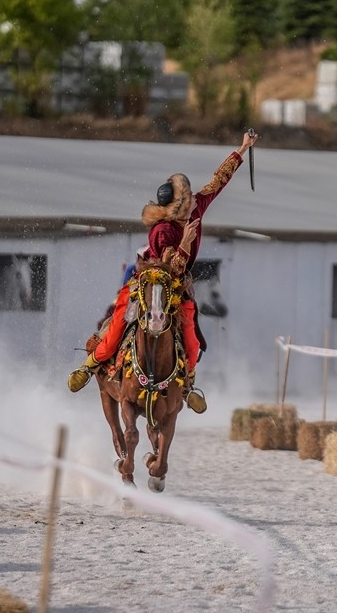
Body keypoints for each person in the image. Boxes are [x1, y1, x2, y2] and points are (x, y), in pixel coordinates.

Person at [67, 130, 260, 413]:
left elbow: (217, 182)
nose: (195, 201)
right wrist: (185, 243)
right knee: (118, 325)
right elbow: (172, 266)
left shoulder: (193, 211)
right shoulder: (162, 231)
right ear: (175, 210)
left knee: (192, 338)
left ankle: (189, 382)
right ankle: (89, 366)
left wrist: (242, 149)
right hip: (151, 283)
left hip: (178, 288)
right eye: (187, 200)